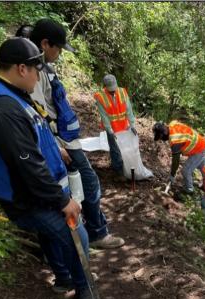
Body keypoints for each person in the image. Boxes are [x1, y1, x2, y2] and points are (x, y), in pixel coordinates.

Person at [0, 37, 96, 299]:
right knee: (76, 233)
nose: (39, 76)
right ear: (21, 68)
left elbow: (31, 136)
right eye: (36, 70)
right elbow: (27, 166)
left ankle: (64, 278)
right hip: (25, 195)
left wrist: (55, 148)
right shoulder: (4, 110)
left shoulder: (3, 90)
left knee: (52, 234)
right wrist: (63, 202)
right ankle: (86, 293)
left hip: (31, 189)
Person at [26, 19, 125, 250]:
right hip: (59, 142)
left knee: (81, 185)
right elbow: (38, 115)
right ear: (44, 43)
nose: (60, 53)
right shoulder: (34, 72)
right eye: (58, 48)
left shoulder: (43, 67)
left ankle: (86, 234)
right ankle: (94, 235)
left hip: (66, 139)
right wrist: (56, 146)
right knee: (88, 184)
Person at [93, 74, 137, 177]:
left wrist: (132, 124)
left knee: (125, 149)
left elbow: (129, 109)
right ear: (105, 87)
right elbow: (104, 116)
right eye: (110, 90)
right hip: (112, 129)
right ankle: (118, 172)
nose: (113, 91)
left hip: (123, 126)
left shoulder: (122, 92)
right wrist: (110, 130)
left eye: (114, 88)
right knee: (115, 150)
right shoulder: (101, 97)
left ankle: (126, 167)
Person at [152, 120, 205, 194]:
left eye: (161, 137)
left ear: (164, 133)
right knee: (203, 168)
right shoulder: (172, 124)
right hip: (200, 143)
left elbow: (176, 161)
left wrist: (172, 175)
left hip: (198, 149)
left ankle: (189, 189)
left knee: (186, 170)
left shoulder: (175, 141)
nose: (162, 139)